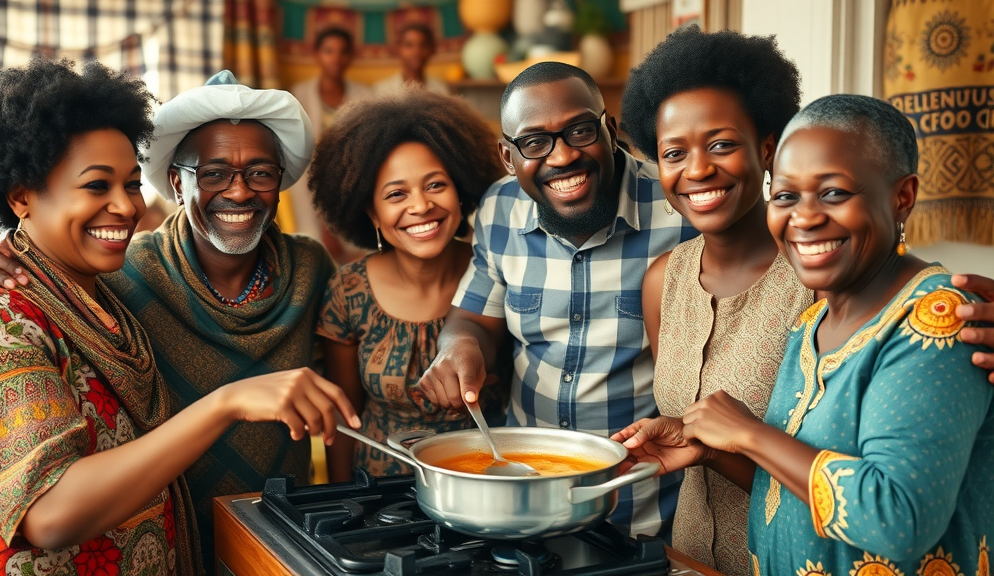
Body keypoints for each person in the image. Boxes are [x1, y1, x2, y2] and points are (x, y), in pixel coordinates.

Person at [0, 58, 357, 576]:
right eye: (215, 173)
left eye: (130, 186)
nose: (239, 191)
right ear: (177, 183)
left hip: (269, 545)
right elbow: (48, 513)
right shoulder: (113, 278)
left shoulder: (307, 270)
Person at [620, 94, 994, 574]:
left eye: (834, 193)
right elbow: (799, 485)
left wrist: (749, 434)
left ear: (902, 196)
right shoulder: (811, 326)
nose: (805, 217)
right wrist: (712, 447)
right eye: (786, 196)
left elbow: (900, 518)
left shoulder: (938, 318)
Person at [417, 62, 696, 537]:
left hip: (646, 506)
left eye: (579, 131)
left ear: (609, 130)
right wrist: (459, 347)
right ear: (508, 157)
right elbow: (474, 320)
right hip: (525, 502)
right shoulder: (500, 207)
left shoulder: (679, 209)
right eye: (534, 143)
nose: (563, 156)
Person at [610, 29, 807, 574]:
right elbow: (693, 430)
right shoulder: (663, 283)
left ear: (766, 149)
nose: (696, 170)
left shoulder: (817, 280)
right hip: (690, 560)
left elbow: (846, 482)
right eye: (675, 153)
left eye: (720, 144)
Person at [307, 89, 509, 481]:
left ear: (462, 189)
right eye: (396, 194)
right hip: (379, 496)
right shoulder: (348, 292)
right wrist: (343, 501)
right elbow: (345, 417)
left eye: (435, 185)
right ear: (372, 213)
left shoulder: (499, 270)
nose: (420, 206)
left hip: (490, 486)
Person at [289, 27, 371, 264]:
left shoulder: (364, 94)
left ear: (351, 56)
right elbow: (300, 150)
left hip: (350, 179)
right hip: (309, 178)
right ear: (316, 54)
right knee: (314, 245)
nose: (336, 58)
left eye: (342, 51)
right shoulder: (300, 94)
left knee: (357, 247)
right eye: (328, 51)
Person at [373, 23, 450, 96]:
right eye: (409, 45)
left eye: (423, 45)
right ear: (398, 49)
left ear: (431, 50)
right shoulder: (382, 90)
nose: (416, 52)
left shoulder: (441, 90)